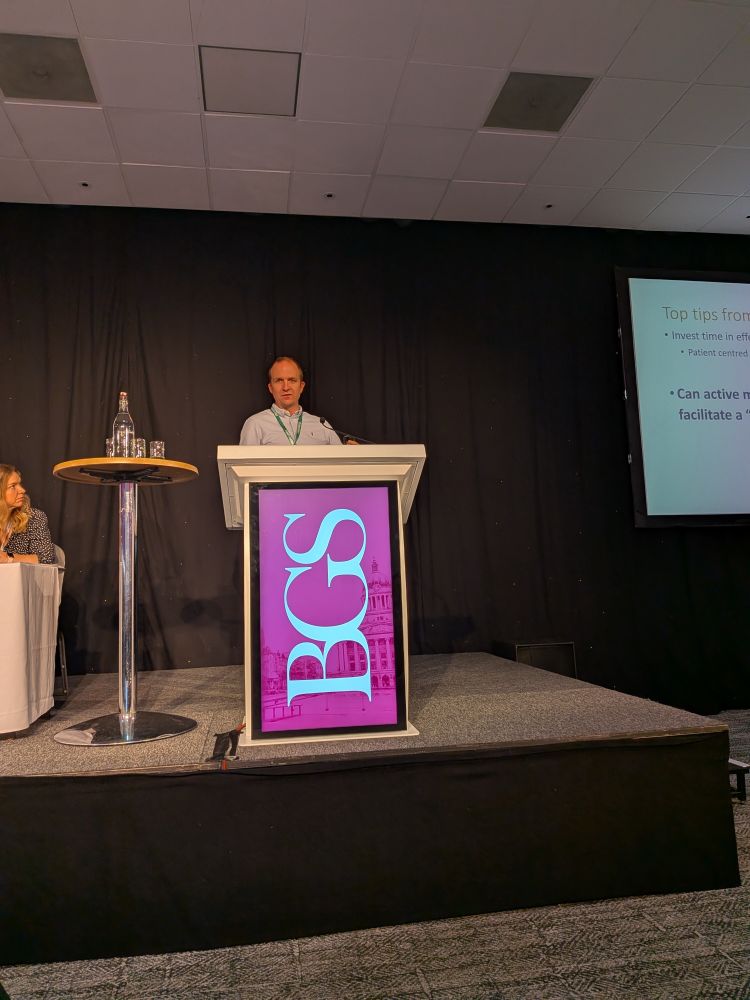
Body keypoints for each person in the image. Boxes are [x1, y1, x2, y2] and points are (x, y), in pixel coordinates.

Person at [240, 356, 357, 446]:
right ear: (270, 388)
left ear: (301, 386)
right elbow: (243, 470)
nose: (286, 387)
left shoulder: (322, 425)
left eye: (292, 380)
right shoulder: (255, 424)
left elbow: (340, 466)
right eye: (279, 380)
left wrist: (353, 456)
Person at [0, 465, 56, 565]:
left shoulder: (34, 517)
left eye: (19, 484)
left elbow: (46, 557)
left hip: (20, 580)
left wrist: (8, 558)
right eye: (13, 486)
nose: (22, 490)